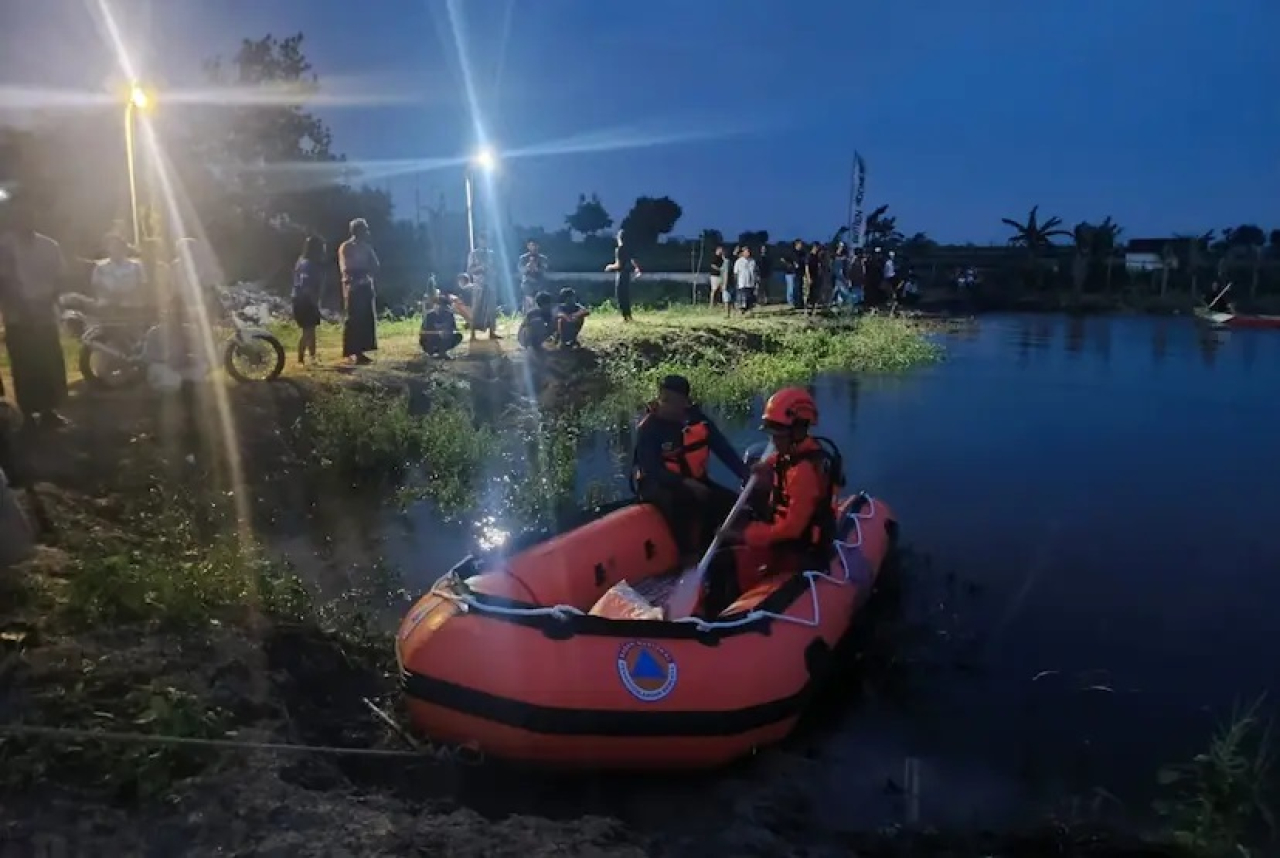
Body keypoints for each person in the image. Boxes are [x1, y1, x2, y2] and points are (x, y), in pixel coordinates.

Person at [714, 387, 842, 612]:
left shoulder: (804, 472)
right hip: (784, 541)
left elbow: (791, 529)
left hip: (798, 551)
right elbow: (780, 460)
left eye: (778, 433)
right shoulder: (791, 454)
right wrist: (767, 465)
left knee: (725, 562)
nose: (773, 439)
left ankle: (728, 619)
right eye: (771, 432)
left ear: (799, 428)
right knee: (725, 552)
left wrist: (745, 534)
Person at [631, 374, 749, 558]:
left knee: (728, 503)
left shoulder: (698, 420)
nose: (664, 404)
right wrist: (685, 482)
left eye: (671, 400)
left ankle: (716, 546)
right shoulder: (649, 428)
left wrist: (744, 473)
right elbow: (651, 469)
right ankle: (687, 555)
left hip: (695, 480)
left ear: (685, 402)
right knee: (682, 499)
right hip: (658, 485)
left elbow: (722, 448)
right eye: (663, 399)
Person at [0, 194, 69, 429]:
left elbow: (59, 279)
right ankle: (28, 414)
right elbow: (5, 282)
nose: (25, 219)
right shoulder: (5, 247)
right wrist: (22, 308)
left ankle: (50, 410)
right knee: (24, 365)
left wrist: (46, 303)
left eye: (29, 215)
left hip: (44, 315)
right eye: (19, 215)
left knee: (48, 364)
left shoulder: (49, 246)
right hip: (18, 318)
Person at [338, 217, 379, 364]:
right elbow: (346, 267)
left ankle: (361, 351)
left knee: (366, 319)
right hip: (353, 287)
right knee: (354, 319)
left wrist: (368, 274)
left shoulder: (366, 247)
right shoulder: (346, 246)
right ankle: (352, 351)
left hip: (365, 285)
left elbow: (375, 264)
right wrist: (358, 275)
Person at [292, 234, 325, 365]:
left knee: (311, 330)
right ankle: (301, 358)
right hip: (304, 301)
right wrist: (314, 303)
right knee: (308, 331)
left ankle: (312, 357)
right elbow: (306, 287)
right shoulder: (309, 265)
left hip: (302, 299)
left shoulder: (301, 262)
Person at [90, 233, 147, 307]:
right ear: (108, 249)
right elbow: (97, 286)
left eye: (118, 247)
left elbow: (142, 285)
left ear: (124, 248)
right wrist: (109, 297)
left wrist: (129, 297)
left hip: (131, 303)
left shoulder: (136, 266)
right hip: (107, 303)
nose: (115, 250)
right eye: (113, 247)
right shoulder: (100, 267)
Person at [466, 232, 500, 342]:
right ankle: (472, 334)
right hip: (479, 284)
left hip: (490, 284)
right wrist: (480, 268)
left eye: (486, 240)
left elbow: (497, 268)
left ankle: (492, 332)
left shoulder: (492, 254)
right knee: (476, 308)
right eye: (482, 240)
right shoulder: (473, 254)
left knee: (491, 308)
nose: (484, 242)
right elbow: (470, 270)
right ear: (478, 241)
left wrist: (492, 271)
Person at [604, 229, 641, 322]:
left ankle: (625, 317)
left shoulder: (620, 249)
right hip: (627, 274)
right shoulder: (629, 248)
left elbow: (619, 265)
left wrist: (610, 267)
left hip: (621, 274)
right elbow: (633, 260)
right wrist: (637, 269)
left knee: (621, 296)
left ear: (619, 238)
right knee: (626, 295)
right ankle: (628, 316)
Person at [420, 294, 463, 358]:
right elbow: (423, 331)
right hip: (432, 338)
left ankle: (442, 352)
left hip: (445, 337)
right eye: (438, 304)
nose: (440, 307)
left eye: (443, 305)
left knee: (457, 336)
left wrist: (447, 331)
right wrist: (436, 332)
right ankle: (433, 351)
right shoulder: (429, 315)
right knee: (425, 338)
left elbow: (454, 328)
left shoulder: (449, 315)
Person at [518, 239, 549, 312]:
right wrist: (528, 266)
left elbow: (544, 269)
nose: (533, 247)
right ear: (528, 246)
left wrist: (536, 267)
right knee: (528, 301)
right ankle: (527, 317)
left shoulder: (543, 258)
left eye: (535, 245)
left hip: (539, 283)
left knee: (540, 302)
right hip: (527, 283)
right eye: (531, 245)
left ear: (538, 246)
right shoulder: (523, 258)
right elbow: (521, 270)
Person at [733, 246, 759, 313]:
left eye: (748, 252)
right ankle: (741, 310)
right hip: (742, 282)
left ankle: (749, 310)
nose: (748, 253)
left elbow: (755, 271)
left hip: (751, 283)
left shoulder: (753, 261)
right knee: (742, 297)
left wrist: (756, 281)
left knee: (750, 298)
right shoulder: (738, 261)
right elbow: (735, 273)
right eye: (746, 252)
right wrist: (736, 282)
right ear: (743, 253)